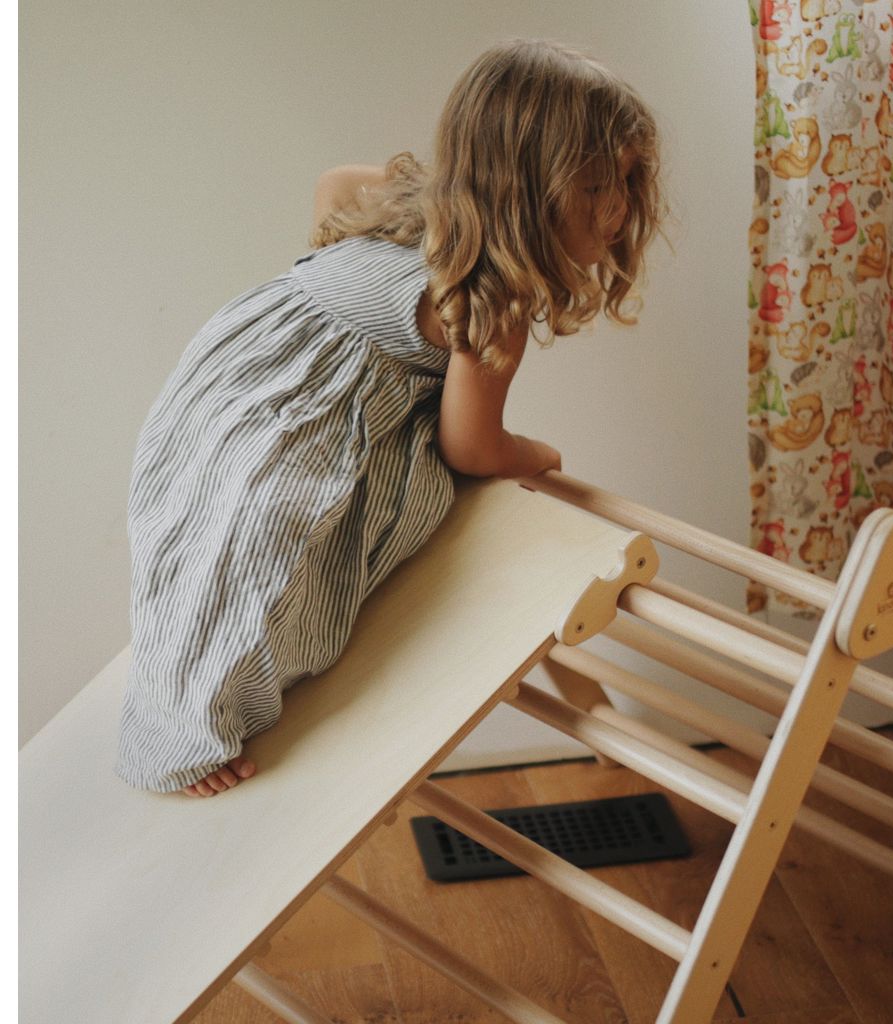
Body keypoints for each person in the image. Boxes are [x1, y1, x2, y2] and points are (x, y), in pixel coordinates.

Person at [115, 38, 665, 796]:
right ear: (530, 187)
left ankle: (178, 700)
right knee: (269, 564)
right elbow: (472, 448)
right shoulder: (493, 296)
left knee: (200, 537)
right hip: (289, 430)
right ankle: (185, 742)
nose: (621, 207)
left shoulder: (409, 204)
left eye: (629, 179)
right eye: (600, 185)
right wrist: (537, 453)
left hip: (224, 384)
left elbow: (334, 183)